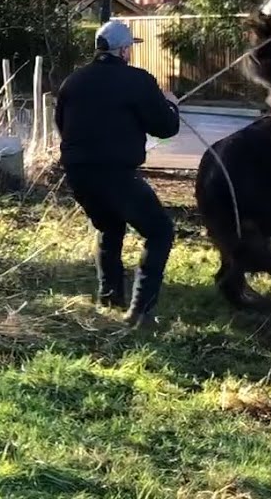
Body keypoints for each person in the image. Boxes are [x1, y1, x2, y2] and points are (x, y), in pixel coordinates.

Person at [54, 19, 181, 326]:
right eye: (130, 48)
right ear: (123, 51)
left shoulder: (73, 81)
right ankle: (141, 311)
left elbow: (61, 125)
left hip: (78, 173)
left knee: (109, 228)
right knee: (160, 231)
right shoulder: (138, 80)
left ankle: (110, 298)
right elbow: (165, 128)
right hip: (116, 174)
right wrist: (172, 106)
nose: (130, 53)